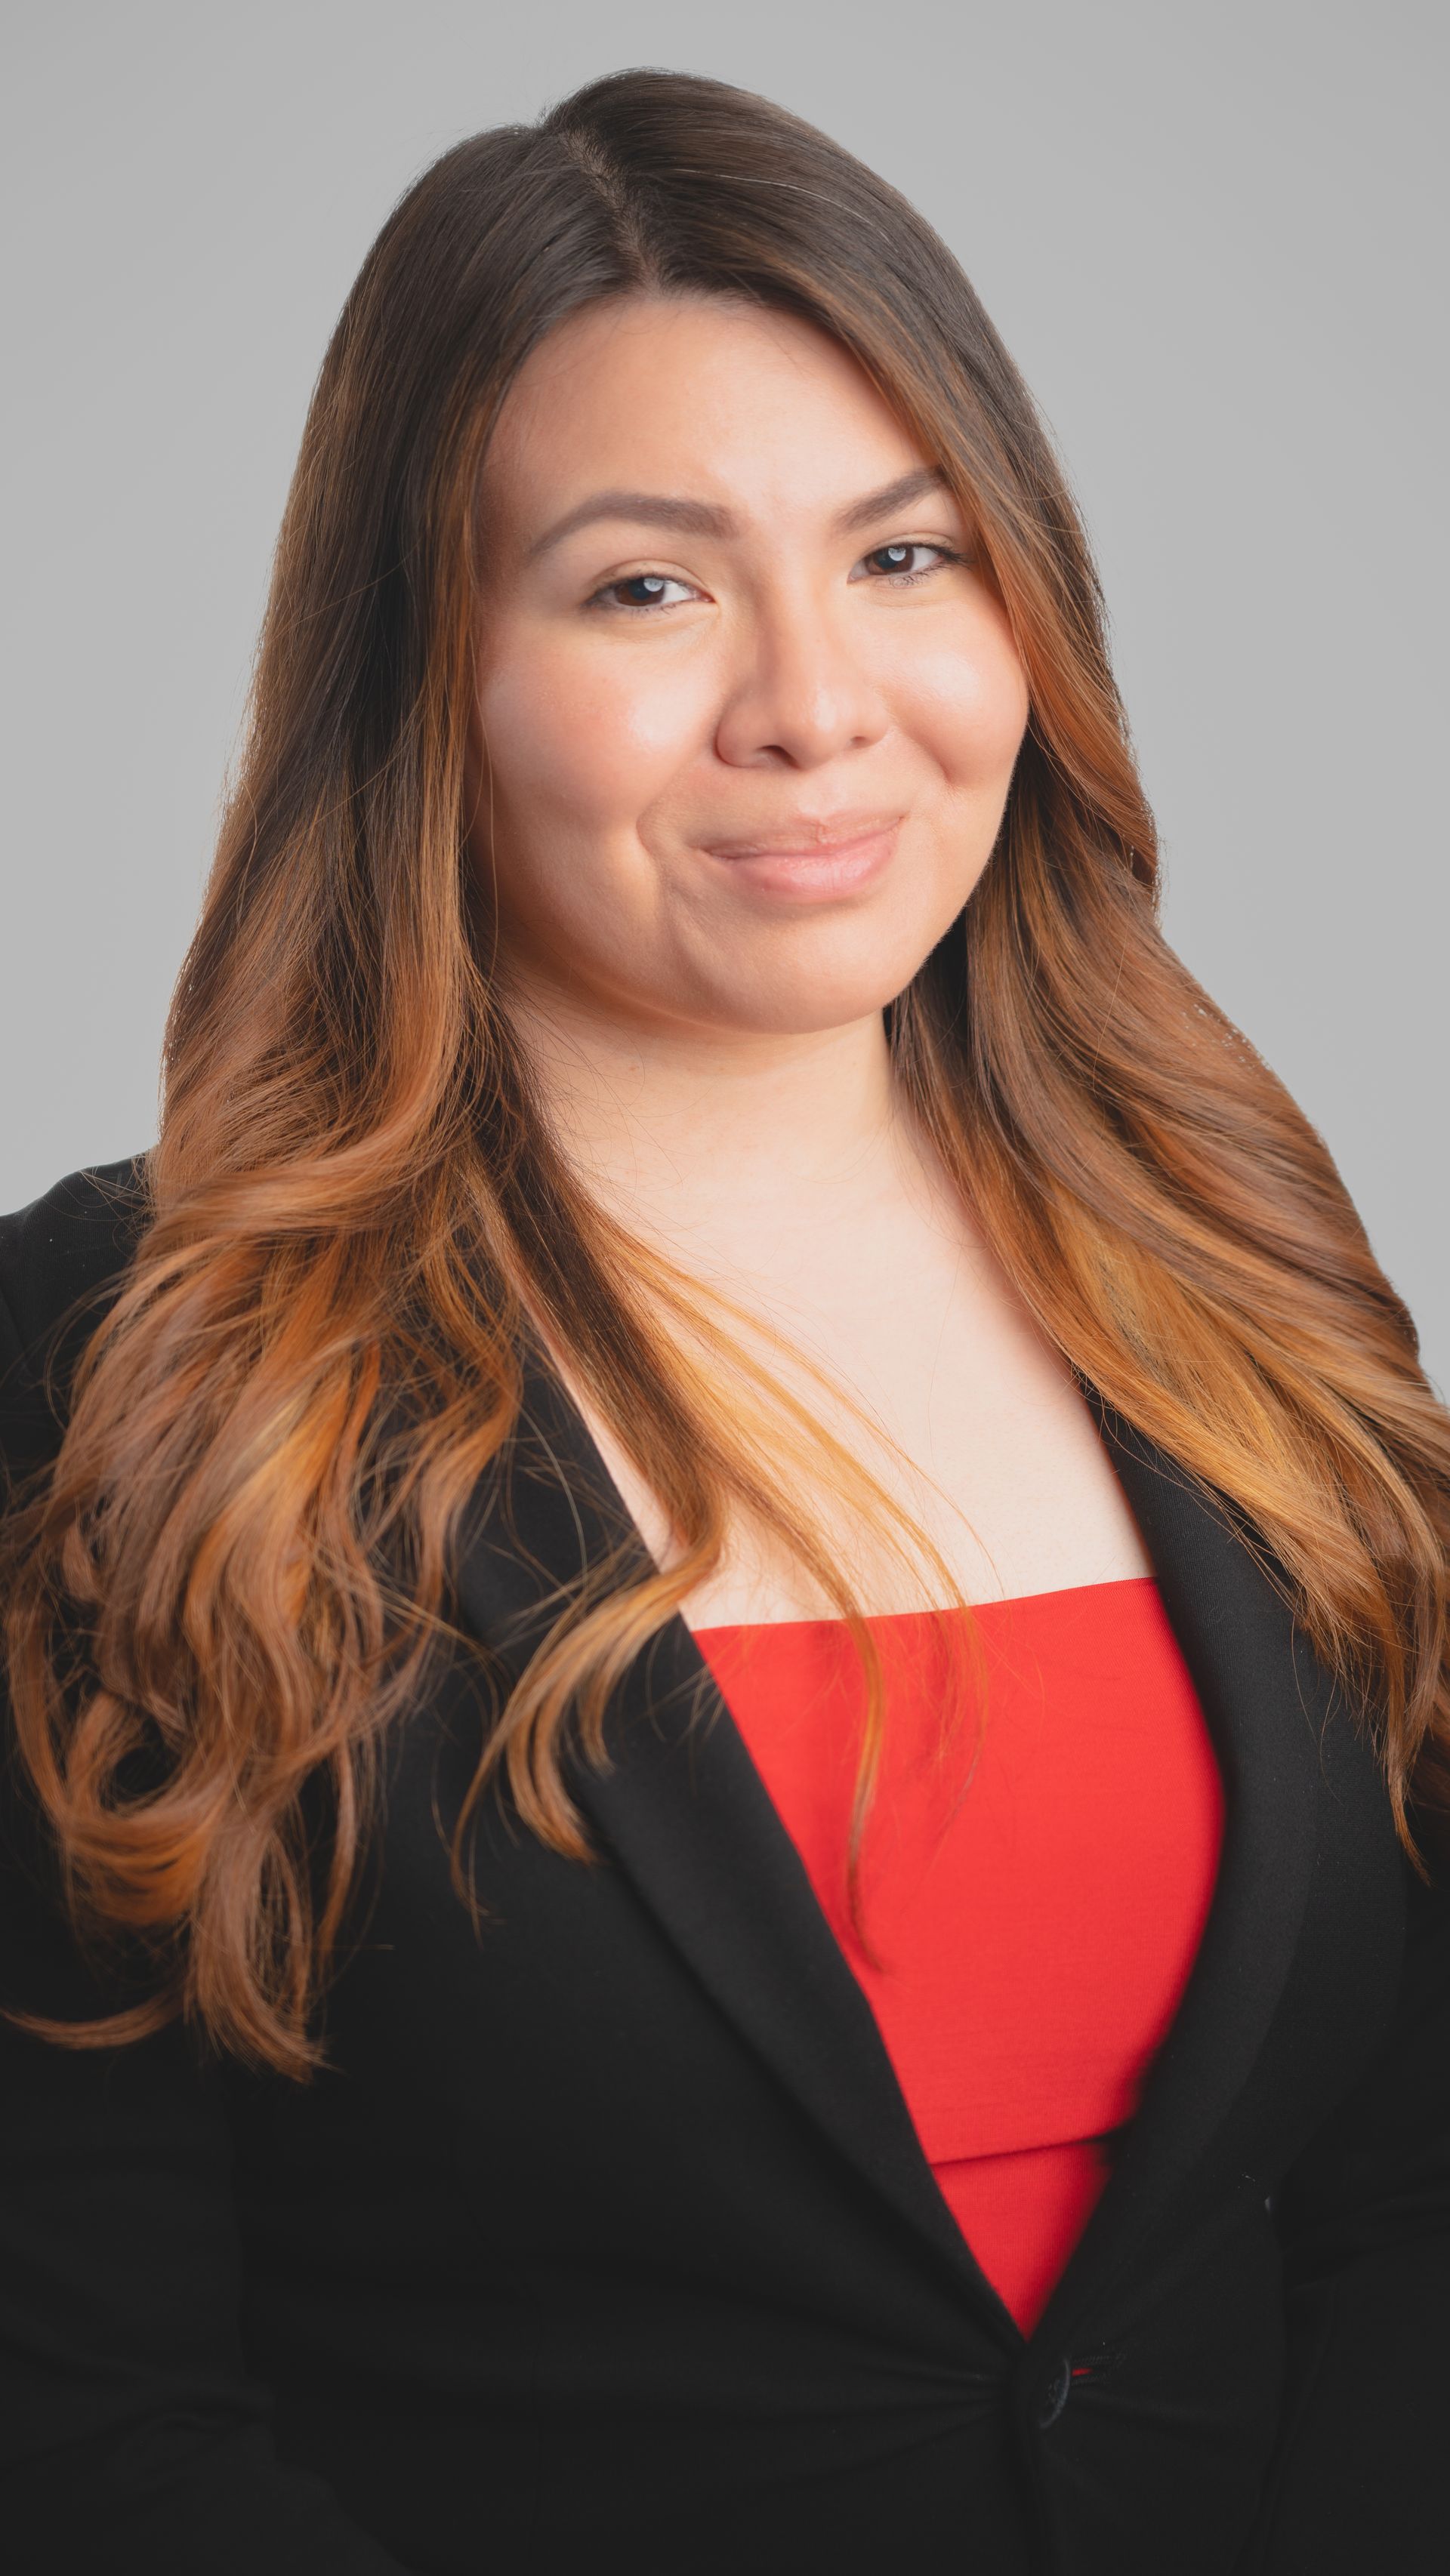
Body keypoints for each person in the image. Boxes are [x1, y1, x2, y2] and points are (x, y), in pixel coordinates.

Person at [1, 66, 1446, 2576]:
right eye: (646, 590)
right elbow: (81, 2424)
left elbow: (1403, 2215)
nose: (813, 698)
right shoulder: (125, 1363)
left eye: (905, 554)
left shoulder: (1239, 1270)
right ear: (424, 672)